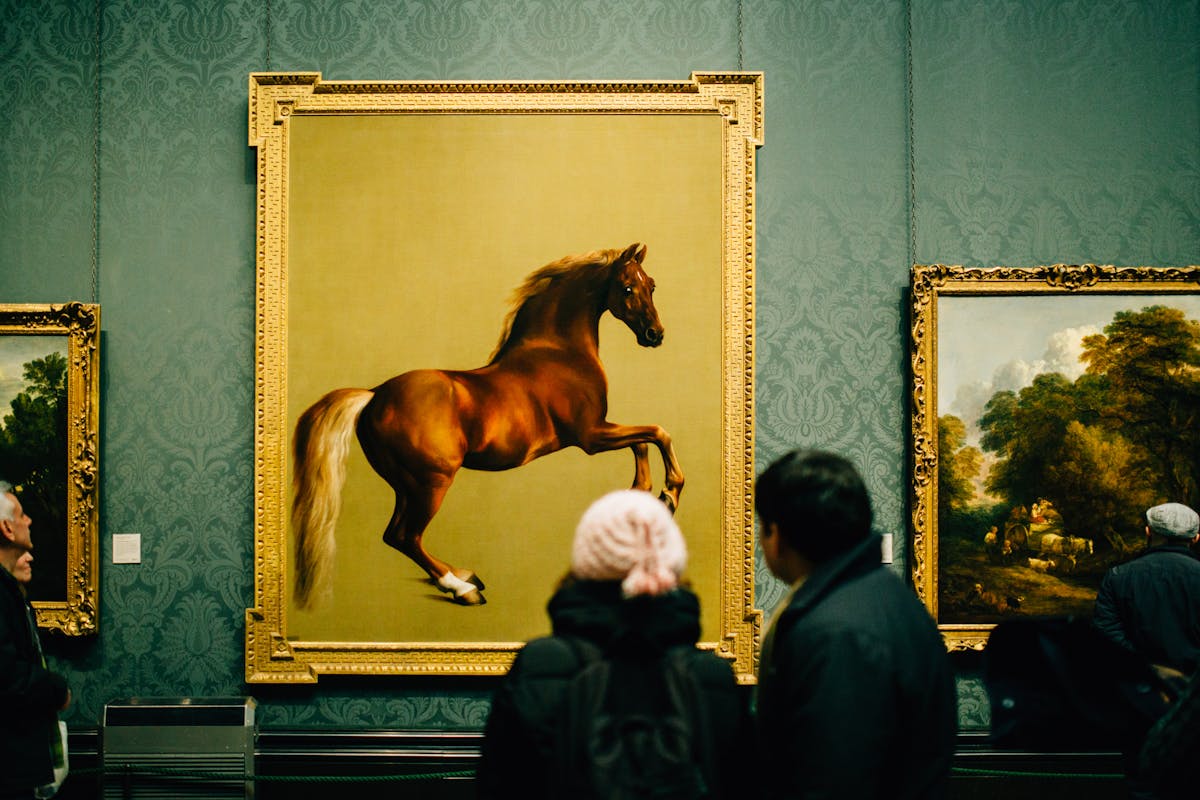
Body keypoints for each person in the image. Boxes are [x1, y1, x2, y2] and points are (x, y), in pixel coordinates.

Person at [477, 489, 750, 799]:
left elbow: (498, 787)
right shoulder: (711, 677)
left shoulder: (538, 665)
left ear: (586, 563)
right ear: (670, 564)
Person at [753, 449, 957, 800]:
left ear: (777, 533)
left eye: (762, 526)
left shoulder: (837, 634)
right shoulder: (883, 596)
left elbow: (833, 780)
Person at [0, 481, 71, 800]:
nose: (29, 521)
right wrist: (58, 689)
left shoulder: (8, 591)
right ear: (6, 528)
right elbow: (8, 674)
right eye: (22, 514)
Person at [1094, 502, 1200, 677]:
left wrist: (1146, 668)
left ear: (1148, 531)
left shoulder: (1118, 576)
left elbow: (1107, 634)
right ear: (1195, 538)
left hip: (1138, 686)